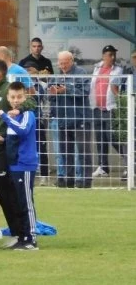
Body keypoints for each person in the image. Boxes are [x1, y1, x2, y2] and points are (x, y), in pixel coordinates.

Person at [0, 58, 35, 237]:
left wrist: (19, 110)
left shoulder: (7, 88)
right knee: (2, 193)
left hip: (5, 151)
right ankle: (16, 232)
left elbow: (30, 103)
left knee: (8, 194)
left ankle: (20, 233)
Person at [0, 81, 39, 250]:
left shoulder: (27, 114)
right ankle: (22, 237)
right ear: (8, 98)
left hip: (25, 164)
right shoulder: (13, 116)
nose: (16, 100)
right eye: (13, 97)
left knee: (26, 202)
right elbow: (17, 139)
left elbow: (23, 131)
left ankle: (31, 238)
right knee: (19, 202)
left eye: (19, 97)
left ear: (24, 96)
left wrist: (5, 117)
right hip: (14, 164)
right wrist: (3, 140)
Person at [49, 51, 92, 188]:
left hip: (80, 119)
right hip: (62, 120)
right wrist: (53, 93)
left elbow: (85, 92)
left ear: (71, 60)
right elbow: (49, 97)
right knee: (65, 152)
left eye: (65, 63)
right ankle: (69, 180)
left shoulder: (81, 73)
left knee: (83, 152)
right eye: (60, 63)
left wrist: (67, 90)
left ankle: (85, 181)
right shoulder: (57, 75)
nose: (62, 66)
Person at [90, 45, 125, 179]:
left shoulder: (118, 70)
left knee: (112, 137)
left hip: (111, 108)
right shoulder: (97, 68)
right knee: (100, 139)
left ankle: (129, 161)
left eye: (114, 55)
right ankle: (103, 167)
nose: (113, 57)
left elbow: (116, 88)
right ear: (104, 56)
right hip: (97, 108)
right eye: (110, 54)